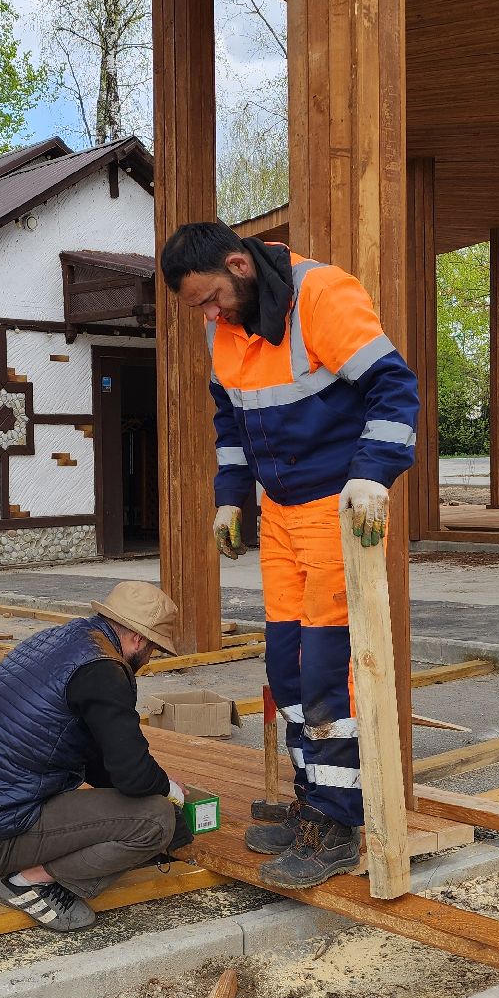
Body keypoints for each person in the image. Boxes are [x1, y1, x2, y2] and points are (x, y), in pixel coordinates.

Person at [158, 220, 419, 889]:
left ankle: (337, 823)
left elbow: (395, 389)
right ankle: (314, 800)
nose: (209, 315)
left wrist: (373, 475)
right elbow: (231, 419)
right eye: (198, 307)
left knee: (328, 670)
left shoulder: (323, 295)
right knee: (286, 665)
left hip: (338, 508)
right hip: (279, 512)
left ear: (239, 265)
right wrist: (230, 498)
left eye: (211, 299)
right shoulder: (223, 326)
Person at [0, 581, 193, 932]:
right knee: (157, 820)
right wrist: (168, 794)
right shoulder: (104, 671)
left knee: (145, 803)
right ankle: (28, 883)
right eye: (153, 650)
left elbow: (101, 760)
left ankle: (31, 865)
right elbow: (131, 774)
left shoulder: (62, 641)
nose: (148, 660)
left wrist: (154, 784)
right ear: (138, 639)